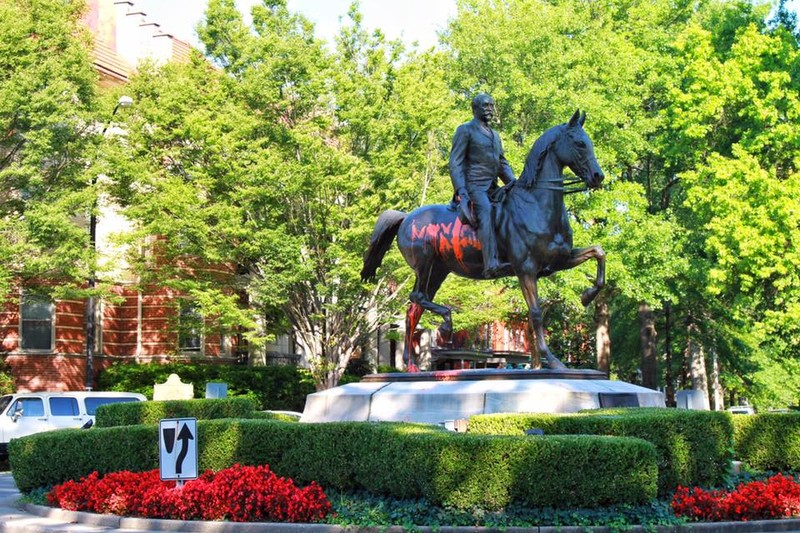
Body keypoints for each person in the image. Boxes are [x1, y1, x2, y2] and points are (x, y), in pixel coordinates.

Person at [449, 93, 516, 278]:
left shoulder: (495, 135)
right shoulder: (465, 130)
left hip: (493, 187)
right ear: (475, 109)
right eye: (485, 106)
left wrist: (514, 184)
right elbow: (455, 163)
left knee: (515, 207)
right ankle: (491, 263)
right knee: (485, 211)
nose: (490, 109)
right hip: (474, 187)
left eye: (492, 106)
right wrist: (461, 191)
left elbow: (502, 163)